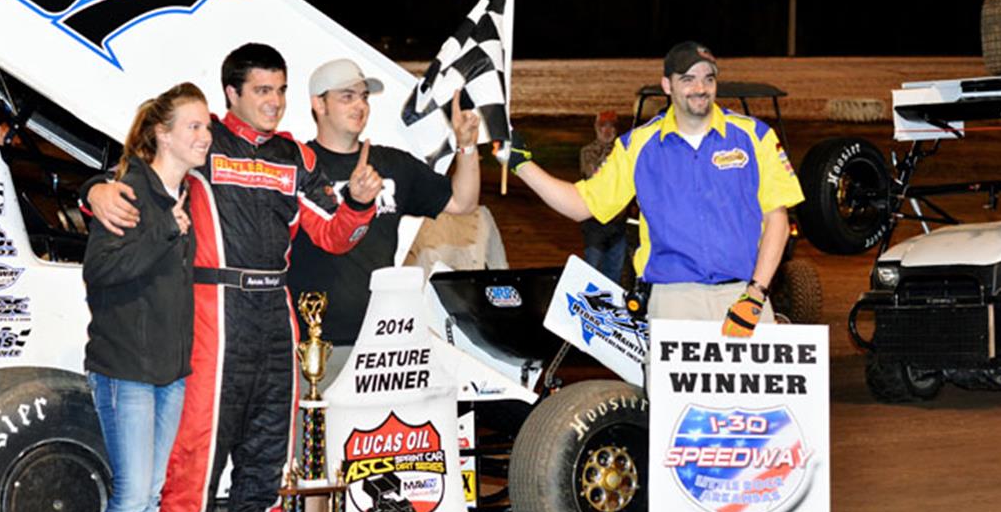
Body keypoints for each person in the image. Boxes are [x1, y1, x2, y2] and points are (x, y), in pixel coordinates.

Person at [85, 44, 379, 512]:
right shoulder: (203, 140)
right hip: (211, 310)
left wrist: (361, 206)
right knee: (194, 460)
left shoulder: (295, 156)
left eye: (281, 89)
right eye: (262, 90)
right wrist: (92, 189)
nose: (274, 101)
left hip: (276, 310)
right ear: (233, 94)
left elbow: (331, 234)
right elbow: (137, 168)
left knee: (270, 461)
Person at [501, 41, 804, 336]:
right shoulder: (638, 146)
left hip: (746, 295)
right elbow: (580, 205)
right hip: (675, 299)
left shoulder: (755, 137)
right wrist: (519, 164)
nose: (700, 88)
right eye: (688, 79)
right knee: (674, 389)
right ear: (667, 85)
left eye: (708, 78)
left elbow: (776, 218)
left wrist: (756, 294)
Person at [80, 82, 208, 512]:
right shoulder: (129, 191)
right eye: (194, 127)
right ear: (163, 134)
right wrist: (160, 234)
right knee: (132, 499)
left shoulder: (183, 196)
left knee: (150, 500)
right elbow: (100, 272)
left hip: (169, 374)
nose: (205, 136)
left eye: (206, 127)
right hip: (126, 372)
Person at [288, 58, 481, 383]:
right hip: (310, 344)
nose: (360, 105)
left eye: (363, 97)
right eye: (347, 96)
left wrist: (467, 146)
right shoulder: (297, 166)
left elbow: (463, 202)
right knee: (311, 435)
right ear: (318, 104)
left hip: (380, 341)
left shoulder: (393, 164)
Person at [578, 110, 628, 282]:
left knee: (615, 273)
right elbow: (595, 176)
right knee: (591, 271)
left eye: (611, 126)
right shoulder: (587, 152)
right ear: (596, 128)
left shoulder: (624, 151)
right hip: (595, 224)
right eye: (603, 126)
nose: (607, 131)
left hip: (619, 223)